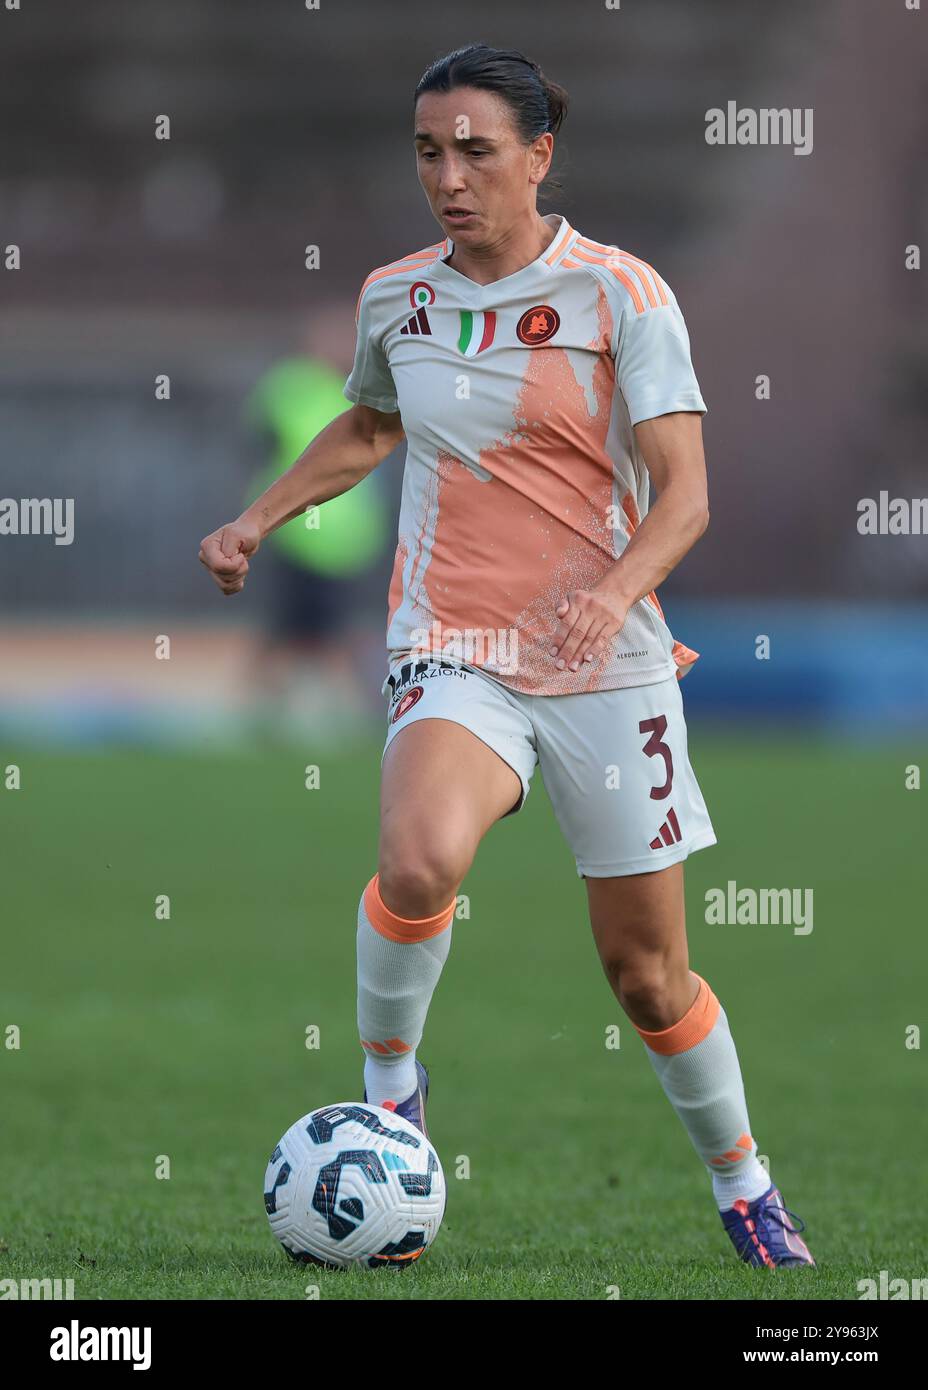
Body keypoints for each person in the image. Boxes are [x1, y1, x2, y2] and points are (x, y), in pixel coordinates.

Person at [199, 43, 814, 1269]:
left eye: (476, 150)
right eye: (429, 151)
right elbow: (371, 422)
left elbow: (685, 496)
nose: (449, 176)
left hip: (608, 661)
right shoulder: (398, 296)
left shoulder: (621, 295)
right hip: (453, 643)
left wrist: (617, 592)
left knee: (645, 976)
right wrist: (258, 518)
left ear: (539, 155)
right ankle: (389, 1098)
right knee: (418, 859)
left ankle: (744, 1185)